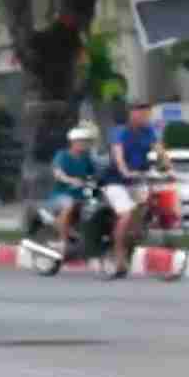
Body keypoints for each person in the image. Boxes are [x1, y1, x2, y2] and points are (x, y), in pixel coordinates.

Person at [102, 101, 165, 279]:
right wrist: (124, 170)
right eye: (143, 114)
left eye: (148, 114)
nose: (146, 117)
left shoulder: (149, 131)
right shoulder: (120, 132)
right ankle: (118, 254)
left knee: (143, 211)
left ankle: (131, 239)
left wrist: (167, 165)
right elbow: (118, 153)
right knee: (126, 214)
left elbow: (160, 151)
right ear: (133, 114)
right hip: (116, 181)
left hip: (137, 179)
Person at [48, 123, 100, 246]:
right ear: (73, 142)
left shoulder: (86, 158)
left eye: (85, 142)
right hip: (62, 194)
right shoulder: (62, 155)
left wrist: (94, 186)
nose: (83, 144)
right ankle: (62, 241)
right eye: (80, 141)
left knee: (97, 206)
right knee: (68, 205)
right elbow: (57, 172)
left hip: (82, 194)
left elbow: (93, 176)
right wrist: (69, 180)